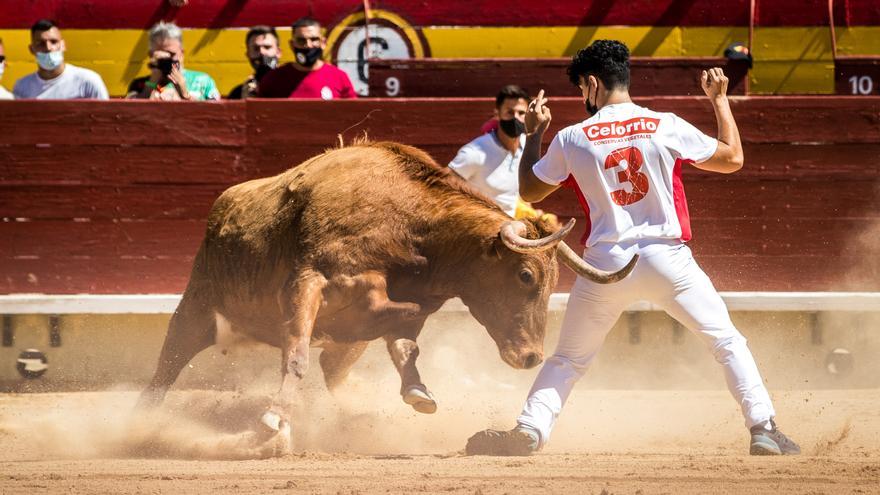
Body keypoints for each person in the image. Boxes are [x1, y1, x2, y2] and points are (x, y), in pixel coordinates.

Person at [466, 40, 800, 457]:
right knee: (726, 342)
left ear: (592, 83)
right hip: (668, 259)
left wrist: (534, 134)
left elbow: (531, 189)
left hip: (606, 264)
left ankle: (530, 429)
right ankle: (763, 428)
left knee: (568, 359)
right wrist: (720, 102)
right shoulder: (665, 124)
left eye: (581, 90)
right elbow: (732, 158)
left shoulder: (573, 137)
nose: (582, 97)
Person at [258, 17, 356, 99]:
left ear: (323, 43)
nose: (308, 45)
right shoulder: (273, 79)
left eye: (314, 39)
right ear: (292, 45)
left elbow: (354, 115)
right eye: (301, 40)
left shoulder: (339, 77)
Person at [13, 20, 108, 100]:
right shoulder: (22, 87)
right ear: (31, 49)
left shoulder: (87, 82)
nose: (48, 48)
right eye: (41, 43)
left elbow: (106, 117)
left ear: (63, 45)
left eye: (53, 42)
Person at [126, 21, 220, 101]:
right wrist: (152, 83)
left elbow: (217, 114)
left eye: (172, 55)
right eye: (161, 55)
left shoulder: (203, 81)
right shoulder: (139, 85)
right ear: (151, 55)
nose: (167, 60)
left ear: (182, 53)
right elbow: (128, 114)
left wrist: (184, 94)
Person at [228, 26, 282, 99]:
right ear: (248, 54)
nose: (262, 52)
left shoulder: (293, 85)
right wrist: (244, 102)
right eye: (256, 48)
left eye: (267, 47)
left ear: (278, 52)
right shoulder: (238, 93)